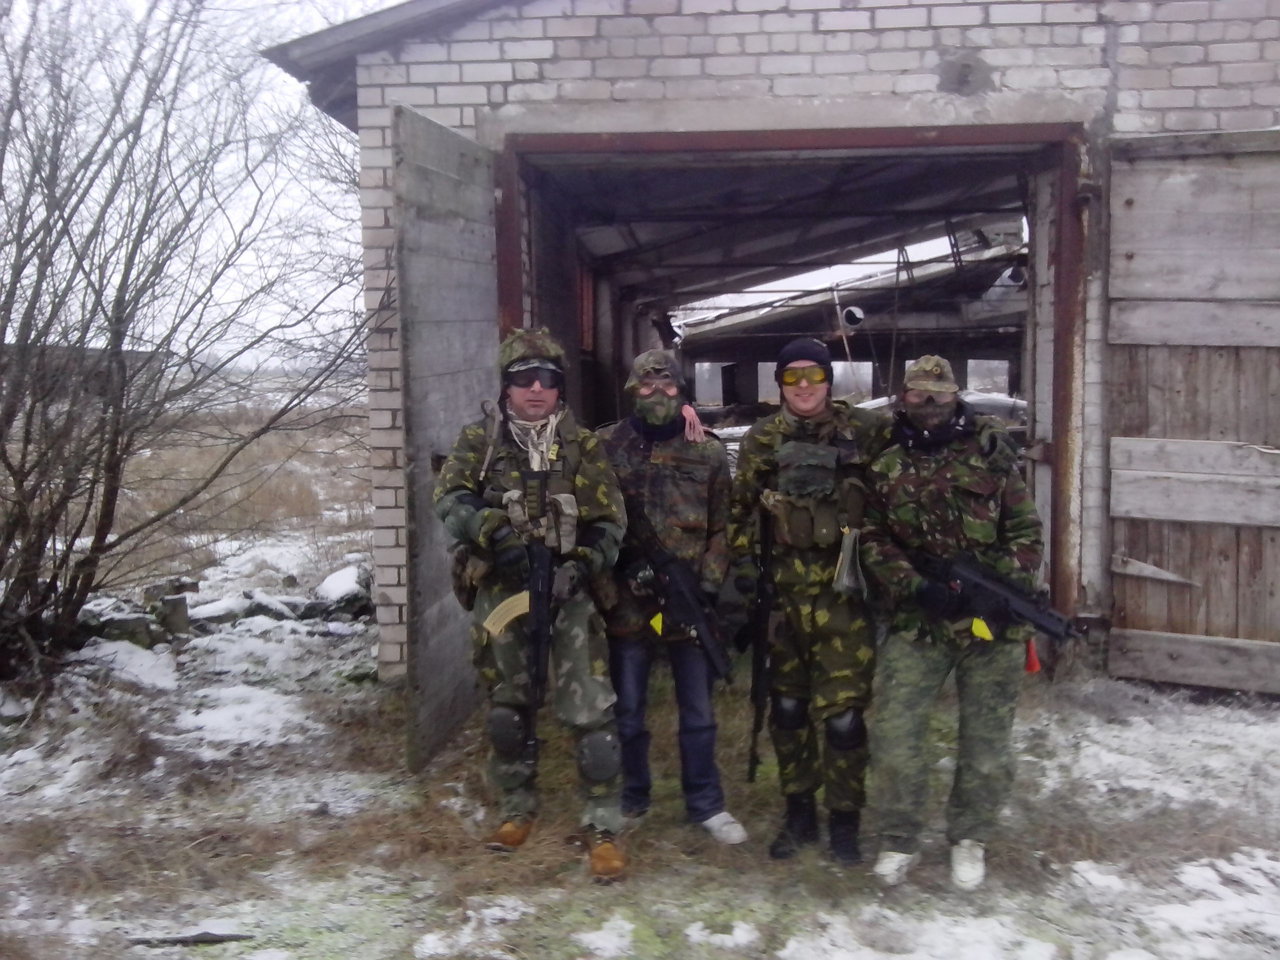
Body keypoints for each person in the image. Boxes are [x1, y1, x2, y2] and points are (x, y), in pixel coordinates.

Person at [433, 328, 629, 882]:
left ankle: (603, 825)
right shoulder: (481, 441)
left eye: (547, 379)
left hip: (568, 593)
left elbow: (609, 521)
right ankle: (516, 808)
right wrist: (491, 530)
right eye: (524, 380)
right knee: (507, 708)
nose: (536, 389)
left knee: (590, 711)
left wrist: (582, 563)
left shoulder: (581, 445)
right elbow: (449, 496)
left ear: (560, 386)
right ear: (507, 387)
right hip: (503, 592)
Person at [860, 355, 1044, 891]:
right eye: (919, 392)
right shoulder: (885, 462)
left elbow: (1027, 534)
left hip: (991, 626)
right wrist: (915, 586)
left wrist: (996, 588)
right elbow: (871, 538)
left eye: (939, 393)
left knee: (986, 743)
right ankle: (899, 837)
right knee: (895, 735)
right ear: (904, 397)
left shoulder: (992, 455)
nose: (930, 402)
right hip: (919, 622)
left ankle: (969, 837)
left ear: (955, 395)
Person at [726, 337, 885, 864]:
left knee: (844, 719)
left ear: (828, 380)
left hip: (844, 596)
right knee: (789, 710)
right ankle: (799, 816)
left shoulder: (865, 430)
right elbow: (740, 512)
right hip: (782, 598)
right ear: (779, 384)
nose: (803, 386)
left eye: (813, 375)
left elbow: (918, 445)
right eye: (791, 377)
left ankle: (844, 821)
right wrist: (746, 577)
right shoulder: (762, 439)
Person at [596, 350, 748, 846]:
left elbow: (724, 526)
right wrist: (620, 570)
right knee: (628, 709)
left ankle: (706, 804)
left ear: (680, 390)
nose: (657, 393)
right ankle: (632, 797)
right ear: (632, 390)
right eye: (647, 384)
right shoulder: (605, 446)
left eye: (666, 385)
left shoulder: (706, 451)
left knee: (698, 713)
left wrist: (708, 585)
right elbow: (593, 520)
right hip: (628, 601)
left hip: (687, 599)